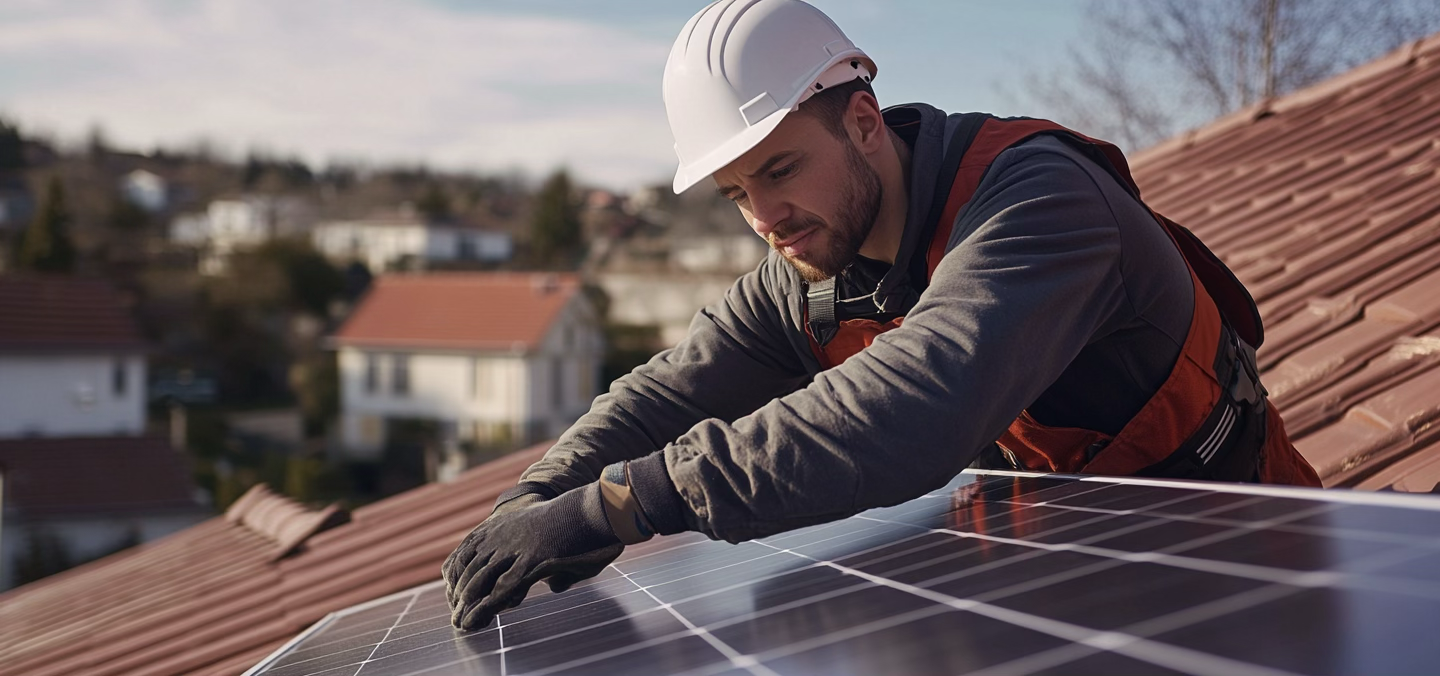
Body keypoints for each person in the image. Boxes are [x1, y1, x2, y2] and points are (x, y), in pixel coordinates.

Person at [442, 0, 1322, 630]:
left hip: (1248, 577)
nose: (764, 218)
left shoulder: (1037, 204)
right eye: (736, 192)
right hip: (1076, 583)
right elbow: (676, 387)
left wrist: (625, 503)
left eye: (781, 170)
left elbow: (914, 401)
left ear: (864, 121)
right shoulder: (817, 262)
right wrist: (537, 500)